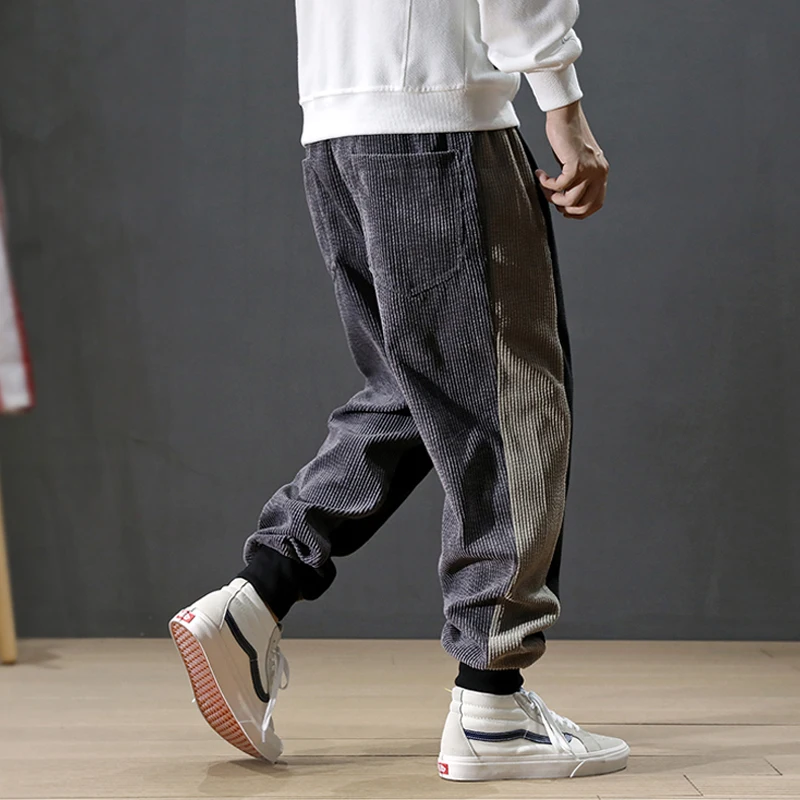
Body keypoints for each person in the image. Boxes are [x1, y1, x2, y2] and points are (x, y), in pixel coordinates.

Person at [168, 0, 627, 782]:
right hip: (442, 117)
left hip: (338, 121)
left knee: (417, 390)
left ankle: (260, 594)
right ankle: (492, 705)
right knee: (510, 404)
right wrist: (563, 102)